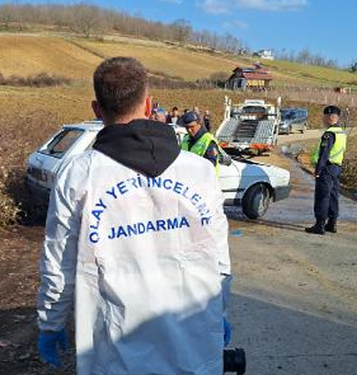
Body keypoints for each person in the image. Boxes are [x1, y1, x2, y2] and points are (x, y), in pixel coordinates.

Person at [37, 57, 232, 375]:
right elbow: (219, 258)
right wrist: (219, 308)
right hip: (194, 344)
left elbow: (59, 263)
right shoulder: (199, 171)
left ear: (96, 109)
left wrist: (50, 321)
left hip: (116, 353)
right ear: (149, 103)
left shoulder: (80, 174)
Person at [305, 105, 347, 235]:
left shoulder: (329, 134)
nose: (323, 119)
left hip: (326, 168)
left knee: (323, 196)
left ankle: (319, 225)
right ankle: (332, 223)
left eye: (324, 117)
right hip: (336, 168)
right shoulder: (341, 133)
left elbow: (324, 154)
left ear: (329, 117)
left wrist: (317, 171)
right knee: (333, 196)